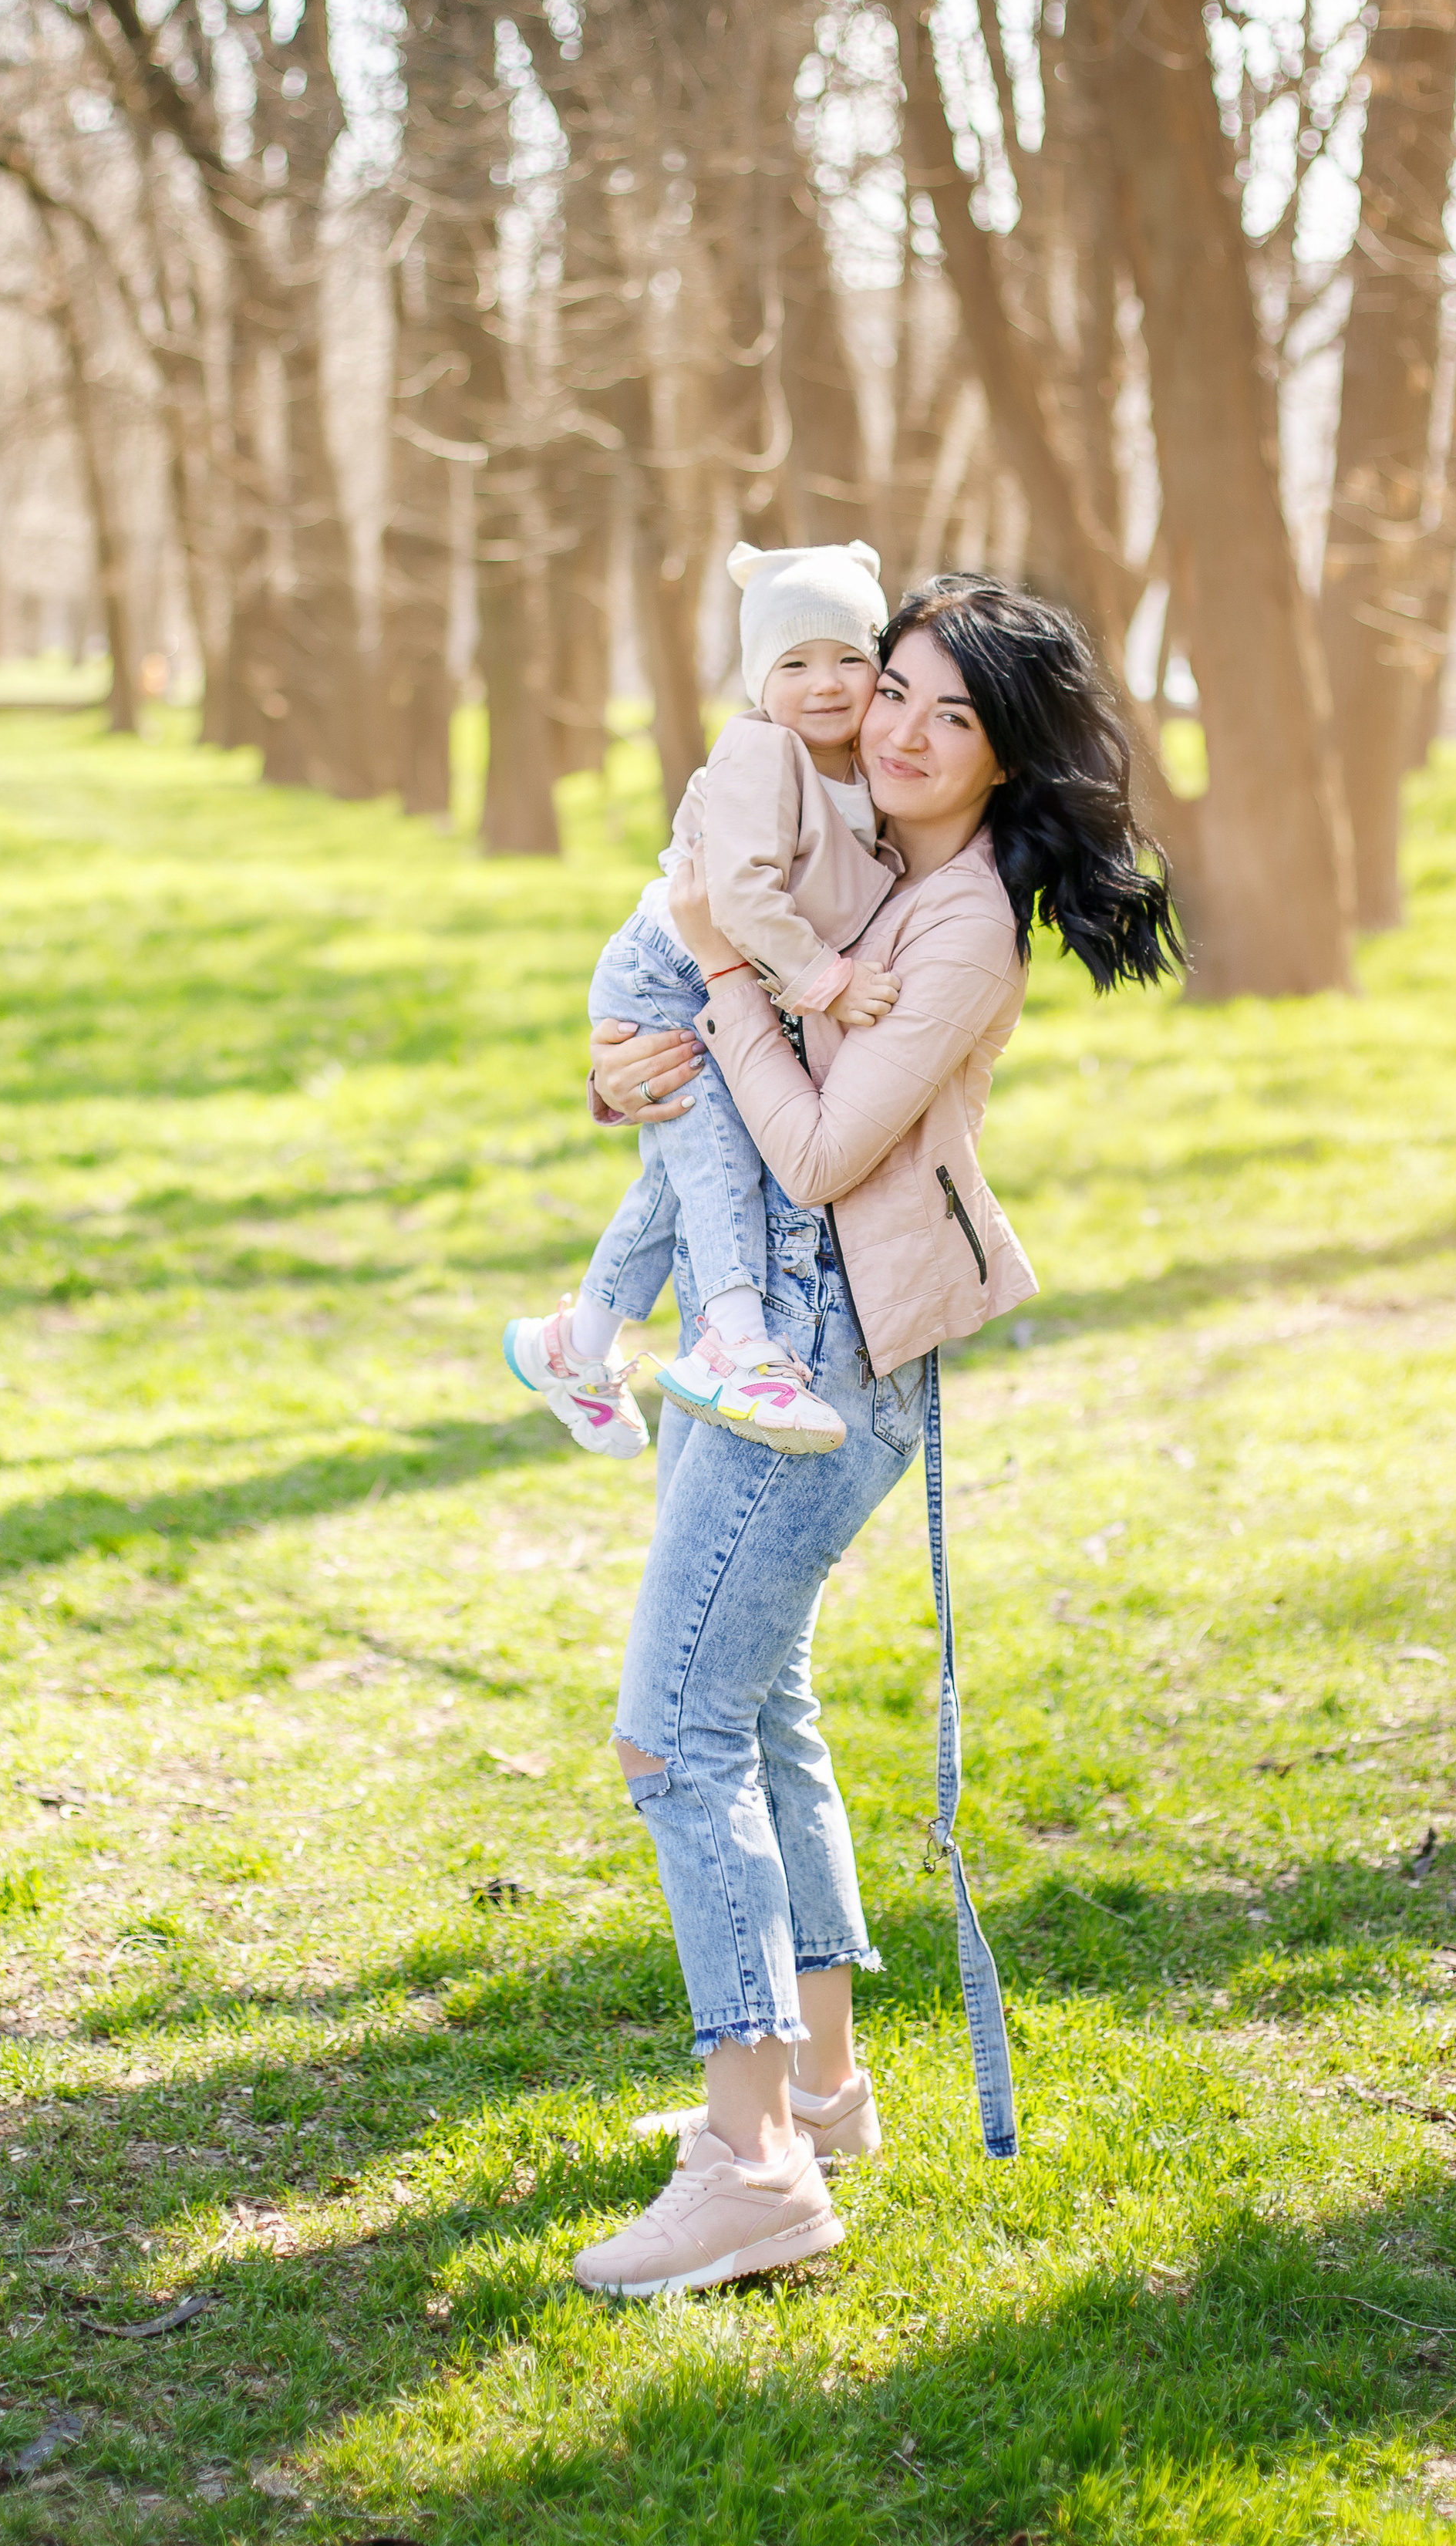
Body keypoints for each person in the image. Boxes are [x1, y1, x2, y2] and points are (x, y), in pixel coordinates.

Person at [568, 574, 1185, 2299]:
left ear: (1007, 755)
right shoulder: (857, 851)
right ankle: (820, 2095)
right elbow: (708, 1065)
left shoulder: (960, 924)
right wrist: (633, 1066)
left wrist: (717, 972)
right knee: (760, 1710)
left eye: (951, 715)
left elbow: (825, 1153)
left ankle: (750, 2169)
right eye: (893, 688)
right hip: (758, 1335)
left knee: (676, 1735)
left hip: (819, 1359)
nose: (901, 728)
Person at [504, 540, 901, 1463]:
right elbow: (741, 893)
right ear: (759, 678)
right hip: (667, 971)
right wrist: (828, 984)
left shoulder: (857, 769)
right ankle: (736, 1341)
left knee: (677, 1177)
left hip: (719, 978)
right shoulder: (762, 750)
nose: (825, 682)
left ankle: (573, 1344)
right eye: (793, 664)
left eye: (849, 657)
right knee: (719, 1163)